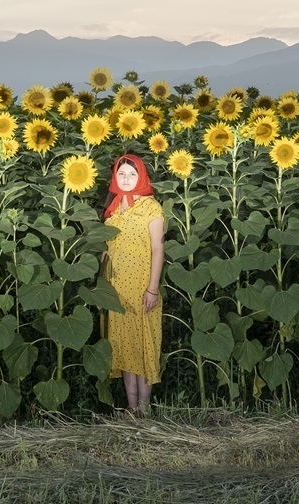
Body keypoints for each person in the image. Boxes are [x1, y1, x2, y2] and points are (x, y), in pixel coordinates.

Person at [101, 154, 165, 416]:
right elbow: (106, 249)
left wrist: (153, 288)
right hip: (115, 289)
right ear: (115, 177)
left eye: (132, 174)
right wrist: (100, 287)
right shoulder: (114, 207)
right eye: (121, 173)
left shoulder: (151, 207)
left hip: (141, 286)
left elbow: (158, 249)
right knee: (123, 345)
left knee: (143, 344)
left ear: (142, 177)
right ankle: (131, 406)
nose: (126, 179)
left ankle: (144, 409)